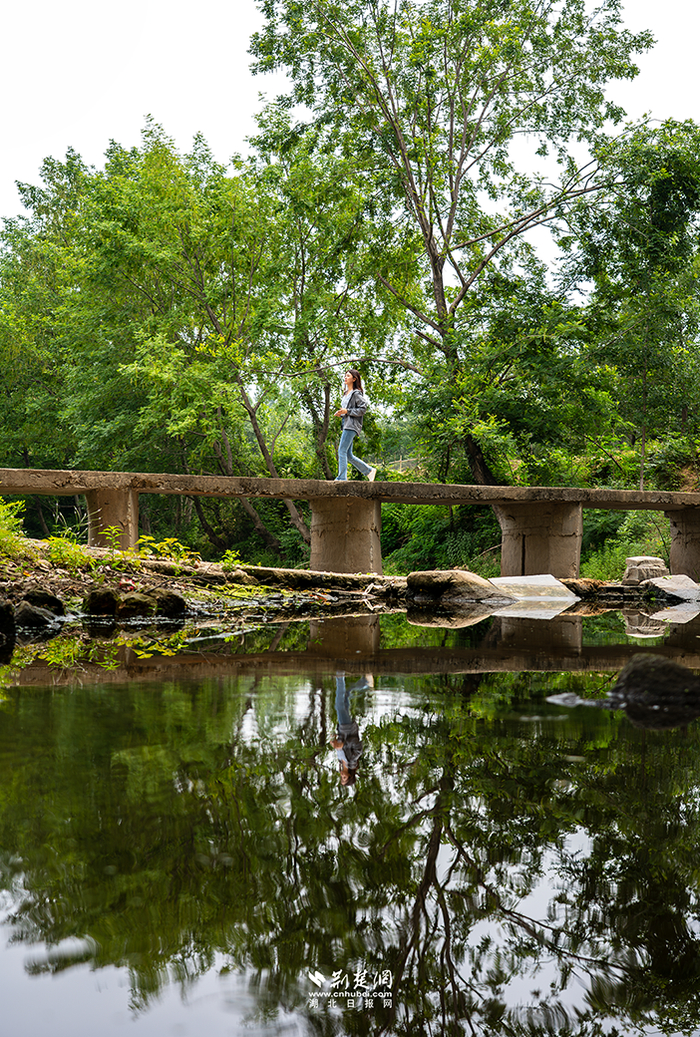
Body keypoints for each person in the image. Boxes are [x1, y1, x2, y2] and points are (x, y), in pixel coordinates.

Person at [334, 369, 377, 482]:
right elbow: (347, 410)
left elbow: (363, 409)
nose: (345, 378)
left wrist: (347, 411)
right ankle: (369, 471)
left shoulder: (356, 393)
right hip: (346, 423)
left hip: (352, 425)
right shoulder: (346, 393)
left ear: (354, 379)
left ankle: (342, 478)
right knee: (348, 455)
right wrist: (341, 413)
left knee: (341, 451)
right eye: (345, 376)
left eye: (348, 376)